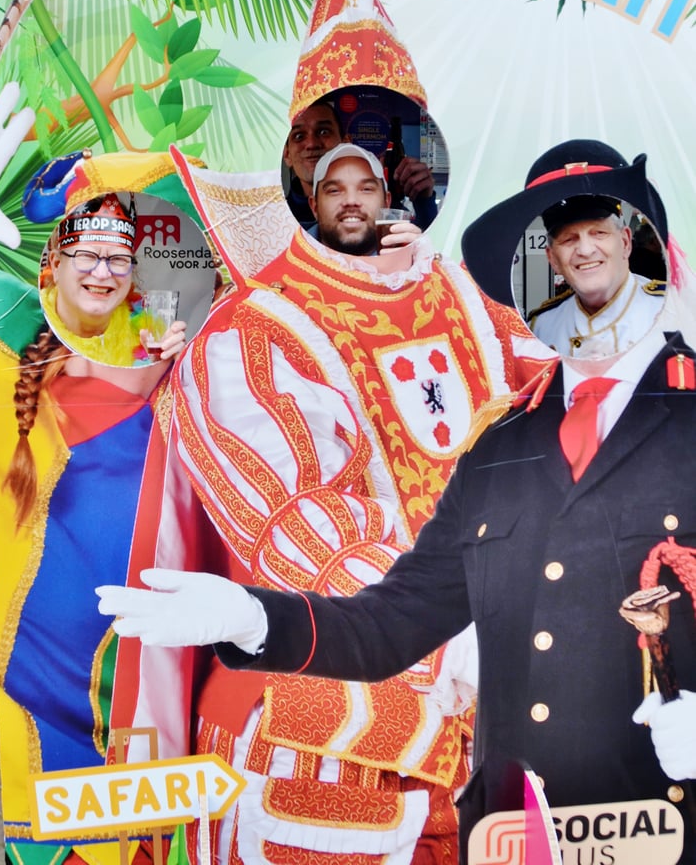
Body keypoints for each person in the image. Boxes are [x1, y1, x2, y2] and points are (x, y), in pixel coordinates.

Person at [98, 140, 696, 865]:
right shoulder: (254, 332)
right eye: (566, 243)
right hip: (368, 745)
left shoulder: (493, 324)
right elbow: (366, 582)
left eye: (603, 234)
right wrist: (257, 618)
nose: (587, 262)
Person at [0, 144, 192, 864]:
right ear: (54, 264)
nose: (104, 271)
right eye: (87, 252)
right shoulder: (9, 374)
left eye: (123, 258)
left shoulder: (194, 389)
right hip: (37, 722)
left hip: (153, 716)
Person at [40, 190, 186, 367]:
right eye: (87, 256)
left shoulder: (150, 332)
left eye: (118, 259)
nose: (102, 273)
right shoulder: (21, 328)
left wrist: (167, 368)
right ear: (56, 265)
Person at [528, 192, 665, 358]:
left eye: (599, 233)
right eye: (568, 239)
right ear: (553, 259)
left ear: (625, 242)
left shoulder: (671, 310)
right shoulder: (539, 329)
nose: (585, 251)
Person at [284, 97, 439, 232]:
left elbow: (425, 246)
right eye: (299, 136)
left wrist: (424, 202)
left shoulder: (387, 213)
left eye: (324, 132)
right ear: (287, 155)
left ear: (345, 142)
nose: (311, 144)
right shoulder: (277, 218)